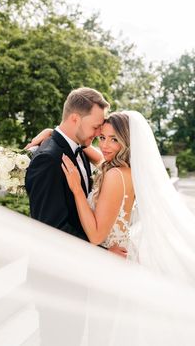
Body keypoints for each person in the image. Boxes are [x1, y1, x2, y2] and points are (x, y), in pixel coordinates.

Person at [28, 109, 195, 295]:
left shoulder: (115, 175)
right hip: (118, 258)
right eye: (102, 137)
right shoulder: (125, 169)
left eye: (114, 139)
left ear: (127, 142)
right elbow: (89, 149)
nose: (105, 146)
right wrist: (53, 133)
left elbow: (96, 236)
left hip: (109, 263)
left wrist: (77, 190)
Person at [25, 87, 127, 257]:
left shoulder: (81, 149)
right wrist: (104, 254)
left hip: (79, 267)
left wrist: (51, 131)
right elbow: (51, 228)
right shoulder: (49, 160)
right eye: (96, 127)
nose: (98, 134)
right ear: (74, 119)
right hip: (57, 269)